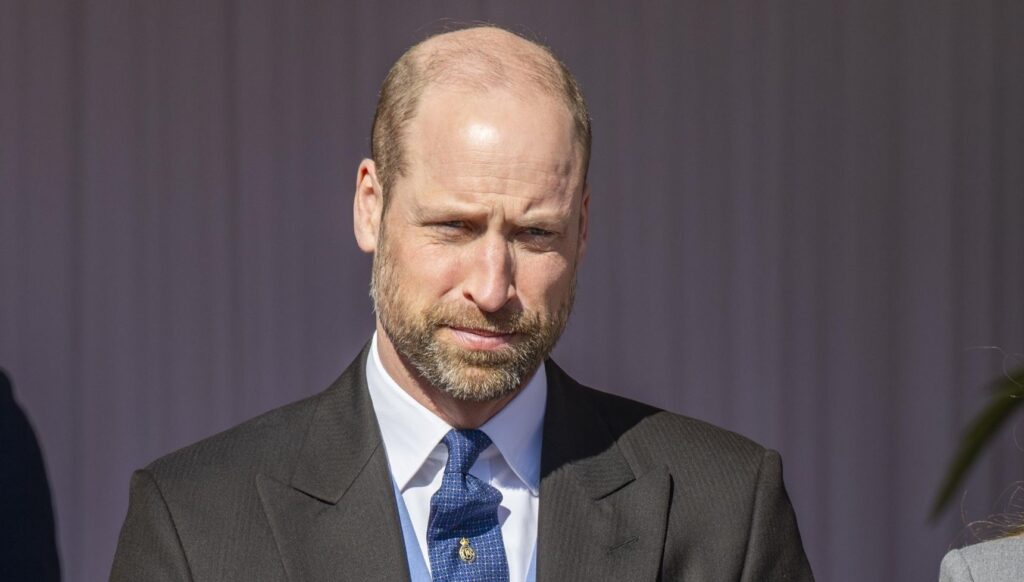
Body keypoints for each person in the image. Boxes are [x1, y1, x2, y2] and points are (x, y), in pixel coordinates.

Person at [111, 25, 813, 581]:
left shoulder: (724, 510)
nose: (492, 285)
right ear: (370, 207)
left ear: (584, 228)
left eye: (535, 234)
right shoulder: (196, 526)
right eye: (454, 227)